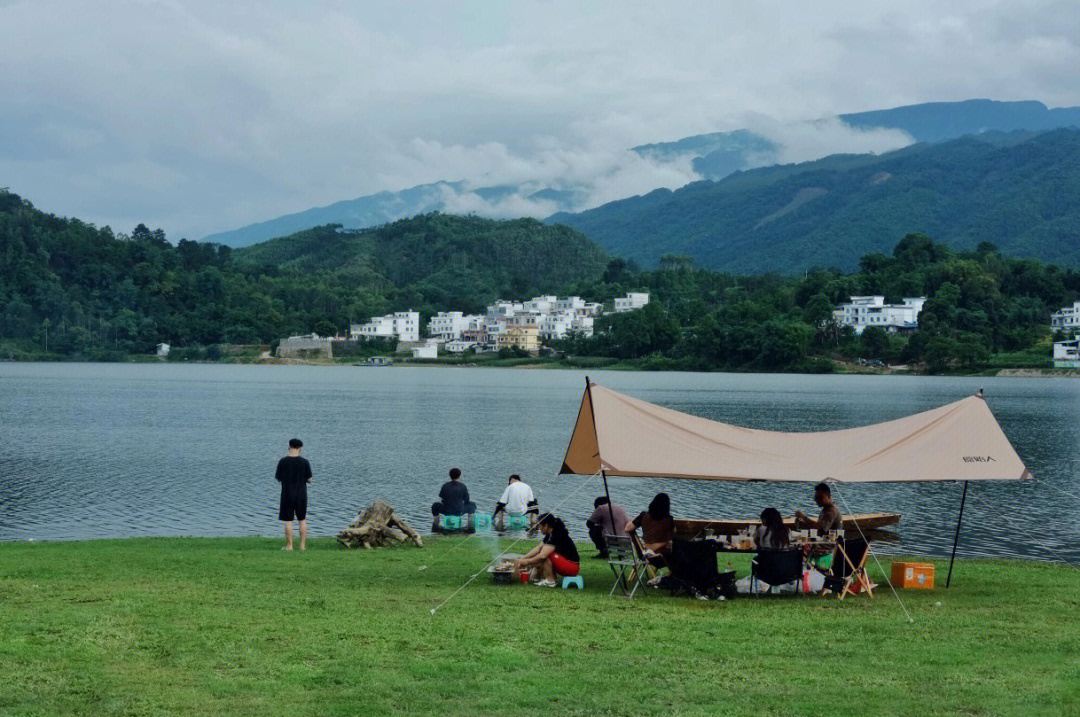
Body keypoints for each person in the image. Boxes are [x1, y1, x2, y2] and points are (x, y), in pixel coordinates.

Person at [514, 513, 579, 587]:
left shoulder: (557, 534)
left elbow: (543, 555)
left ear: (546, 526)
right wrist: (523, 558)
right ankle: (548, 578)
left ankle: (550, 581)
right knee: (542, 552)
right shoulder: (550, 534)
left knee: (545, 555)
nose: (539, 528)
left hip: (572, 567)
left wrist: (527, 562)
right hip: (568, 564)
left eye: (539, 525)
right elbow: (538, 548)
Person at [276, 438, 312, 551]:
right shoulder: (305, 462)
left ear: (289, 447)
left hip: (287, 494)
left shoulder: (282, 461)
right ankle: (302, 545)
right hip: (301, 494)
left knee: (288, 520)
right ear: (300, 449)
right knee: (302, 520)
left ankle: (289, 545)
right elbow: (310, 479)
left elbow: (279, 478)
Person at [624, 492, 675, 566]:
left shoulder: (644, 516)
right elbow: (674, 533)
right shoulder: (668, 519)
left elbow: (627, 528)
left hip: (645, 554)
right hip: (662, 556)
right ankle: (673, 574)